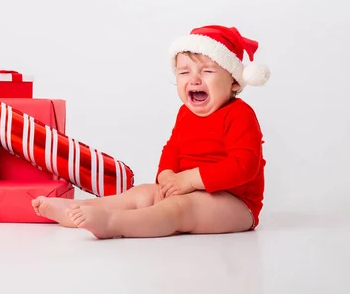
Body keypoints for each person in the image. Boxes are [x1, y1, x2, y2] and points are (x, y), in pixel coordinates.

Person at [32, 25, 270, 239]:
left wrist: (188, 179)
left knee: (180, 209)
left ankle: (114, 224)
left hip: (235, 203)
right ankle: (81, 210)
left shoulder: (240, 114)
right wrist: (166, 175)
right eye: (184, 72)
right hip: (185, 189)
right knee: (142, 194)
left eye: (207, 71)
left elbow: (244, 164)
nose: (194, 80)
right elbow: (174, 148)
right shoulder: (185, 113)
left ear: (234, 82)